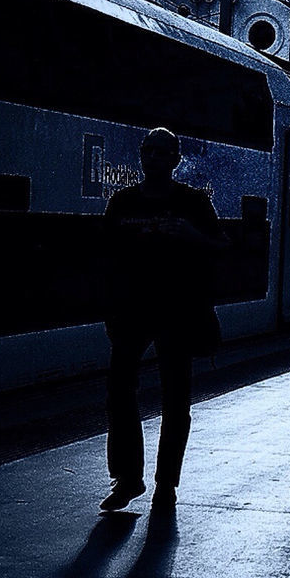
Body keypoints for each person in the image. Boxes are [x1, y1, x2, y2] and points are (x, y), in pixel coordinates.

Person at [100, 127, 226, 513]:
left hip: (178, 312)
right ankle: (128, 478)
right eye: (148, 150)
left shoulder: (193, 203)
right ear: (141, 155)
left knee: (175, 400)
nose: (153, 157)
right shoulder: (121, 202)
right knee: (120, 392)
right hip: (131, 310)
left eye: (161, 151)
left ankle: (164, 484)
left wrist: (191, 234)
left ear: (175, 159)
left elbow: (222, 248)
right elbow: (104, 258)